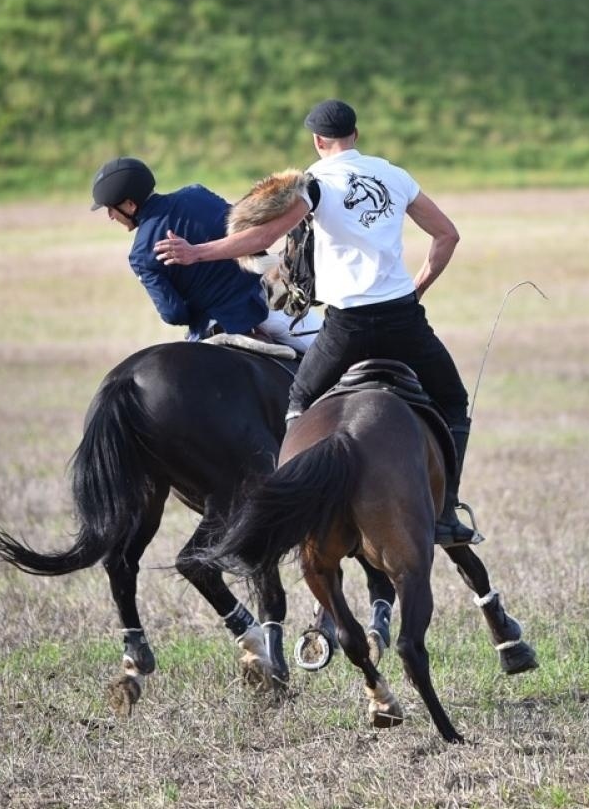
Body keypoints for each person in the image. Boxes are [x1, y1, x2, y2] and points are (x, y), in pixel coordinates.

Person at [151, 101, 481, 547]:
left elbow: (265, 238)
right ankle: (445, 514)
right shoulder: (395, 175)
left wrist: (196, 252)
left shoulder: (316, 185)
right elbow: (447, 235)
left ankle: (295, 504)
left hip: (346, 327)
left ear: (318, 141)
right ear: (356, 135)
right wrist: (417, 288)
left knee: (299, 403)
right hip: (404, 320)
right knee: (452, 400)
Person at [90, 156, 316, 353]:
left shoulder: (140, 255)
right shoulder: (197, 194)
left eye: (111, 208)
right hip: (267, 305)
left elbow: (173, 314)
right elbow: (244, 234)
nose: (110, 216)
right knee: (337, 359)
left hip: (213, 325)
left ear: (130, 205)